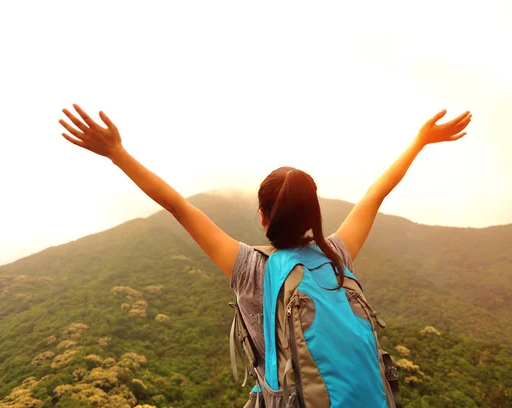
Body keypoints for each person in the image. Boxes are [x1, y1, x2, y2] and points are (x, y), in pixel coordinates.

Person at [59, 104, 471, 405]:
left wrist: (116, 153)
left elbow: (178, 207)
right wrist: (420, 141)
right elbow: (376, 194)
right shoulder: (336, 255)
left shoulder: (250, 269)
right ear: (315, 214)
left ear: (261, 216)